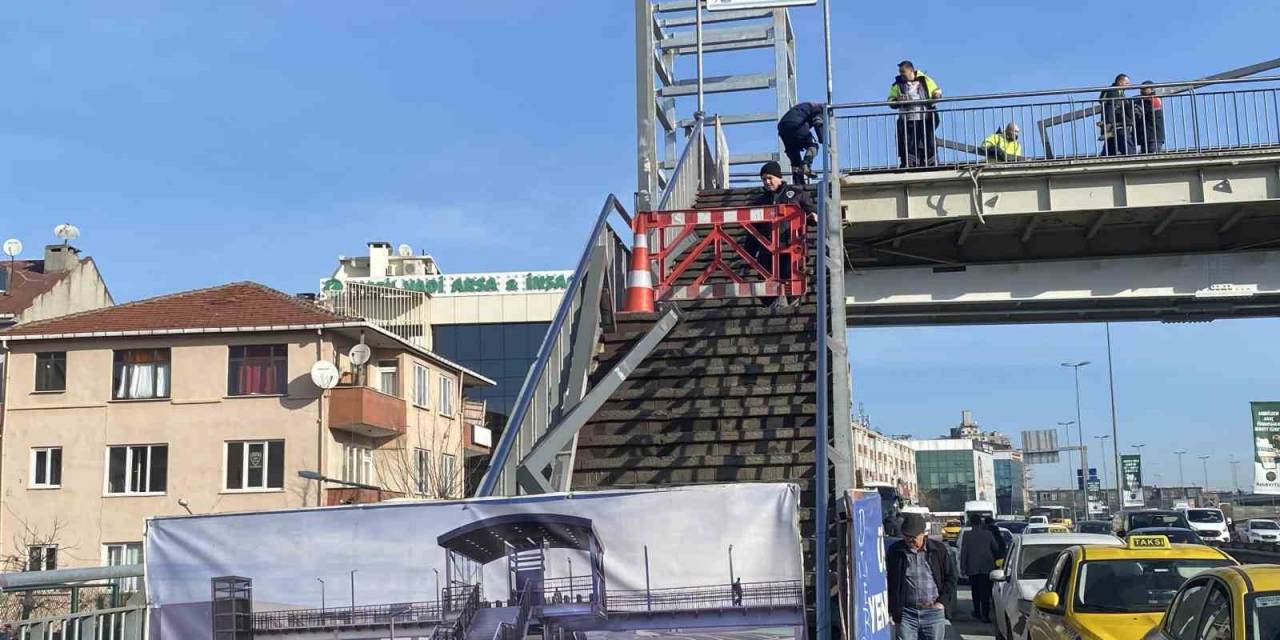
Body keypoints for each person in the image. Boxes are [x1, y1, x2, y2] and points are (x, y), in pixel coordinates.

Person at [750, 161, 817, 310]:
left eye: (769, 178)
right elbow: (753, 230)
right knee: (765, 285)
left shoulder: (797, 194)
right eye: (763, 179)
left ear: (779, 177)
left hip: (792, 247)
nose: (767, 182)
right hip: (767, 251)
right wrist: (748, 252)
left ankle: (791, 305)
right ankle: (775, 306)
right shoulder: (759, 202)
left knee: (791, 279)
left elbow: (812, 212)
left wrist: (813, 216)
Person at [887, 513, 957, 640]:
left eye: (913, 537)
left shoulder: (938, 550)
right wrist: (893, 608)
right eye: (906, 537)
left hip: (933, 612)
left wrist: (942, 603)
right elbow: (889, 581)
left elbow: (950, 578)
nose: (910, 541)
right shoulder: (895, 552)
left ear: (923, 534)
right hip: (907, 614)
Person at [888, 61, 942, 169]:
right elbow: (890, 100)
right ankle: (911, 164)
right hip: (908, 119)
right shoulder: (897, 85)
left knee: (928, 141)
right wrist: (897, 99)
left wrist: (937, 95)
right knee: (909, 143)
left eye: (903, 71)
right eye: (900, 72)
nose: (901, 74)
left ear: (911, 70)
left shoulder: (925, 80)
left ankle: (930, 163)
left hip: (925, 117)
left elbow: (937, 91)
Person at [960, 513, 1000, 623]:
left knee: (975, 591)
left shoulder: (967, 535)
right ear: (980, 522)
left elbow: (964, 552)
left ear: (971, 523)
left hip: (972, 567)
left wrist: (962, 567)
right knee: (986, 592)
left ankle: (977, 612)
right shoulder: (988, 534)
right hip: (987, 567)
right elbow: (995, 547)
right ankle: (985, 615)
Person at [777, 102, 825, 185]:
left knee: (795, 156)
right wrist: (823, 140)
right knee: (813, 146)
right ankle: (806, 164)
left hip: (783, 127)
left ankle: (799, 182)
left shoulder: (804, 106)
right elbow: (818, 122)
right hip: (796, 123)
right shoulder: (820, 108)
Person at [1099, 74, 1137, 156]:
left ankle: (1105, 160)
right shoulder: (1113, 91)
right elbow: (1110, 106)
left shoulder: (1119, 91)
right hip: (1116, 124)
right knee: (1128, 147)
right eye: (1126, 83)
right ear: (1120, 82)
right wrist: (1108, 123)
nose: (1128, 85)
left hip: (1114, 124)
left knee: (1110, 147)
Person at [1137, 81, 1166, 154]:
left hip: (1153, 137)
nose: (1141, 91)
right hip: (1148, 137)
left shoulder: (1152, 100)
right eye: (1141, 89)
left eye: (1144, 89)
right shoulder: (1148, 100)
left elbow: (1140, 112)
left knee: (1151, 159)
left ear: (1151, 89)